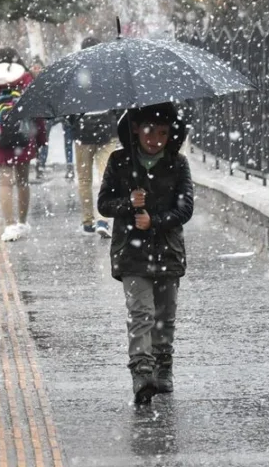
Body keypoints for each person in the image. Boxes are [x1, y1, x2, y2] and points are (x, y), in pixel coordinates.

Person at [97, 102, 193, 404]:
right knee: (141, 314)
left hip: (168, 252)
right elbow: (104, 204)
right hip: (132, 254)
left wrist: (156, 220)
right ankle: (142, 372)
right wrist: (128, 202)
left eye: (163, 133)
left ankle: (164, 365)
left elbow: (185, 208)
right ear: (135, 128)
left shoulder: (177, 163)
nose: (155, 140)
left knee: (165, 316)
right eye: (149, 131)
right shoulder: (120, 161)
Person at [0, 48, 47, 242]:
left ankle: (9, 225)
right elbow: (36, 110)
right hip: (23, 135)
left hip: (0, 138)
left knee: (5, 183)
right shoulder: (26, 79)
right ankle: (22, 222)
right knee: (23, 181)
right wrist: (39, 137)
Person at [67, 36, 117, 237]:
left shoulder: (75, 73)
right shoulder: (109, 72)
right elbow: (117, 103)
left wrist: (75, 123)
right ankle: (103, 220)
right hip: (106, 132)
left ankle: (88, 221)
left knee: (85, 179)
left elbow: (69, 107)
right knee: (106, 177)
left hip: (83, 134)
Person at [29, 56, 51, 179]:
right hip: (34, 117)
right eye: (34, 67)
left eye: (38, 67)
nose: (36, 69)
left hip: (44, 116)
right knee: (37, 141)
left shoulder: (45, 81)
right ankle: (39, 163)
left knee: (43, 141)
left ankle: (41, 164)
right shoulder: (28, 80)